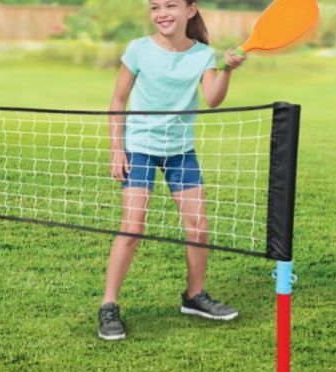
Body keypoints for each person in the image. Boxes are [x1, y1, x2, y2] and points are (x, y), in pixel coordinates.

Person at [98, 0, 246, 341]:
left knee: (198, 225)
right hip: (139, 149)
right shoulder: (138, 50)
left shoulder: (203, 55)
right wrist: (116, 148)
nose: (162, 13)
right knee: (132, 228)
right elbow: (118, 100)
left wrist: (227, 69)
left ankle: (194, 296)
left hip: (180, 151)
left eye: (170, 6)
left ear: (190, 10)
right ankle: (108, 305)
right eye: (155, 7)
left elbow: (212, 98)